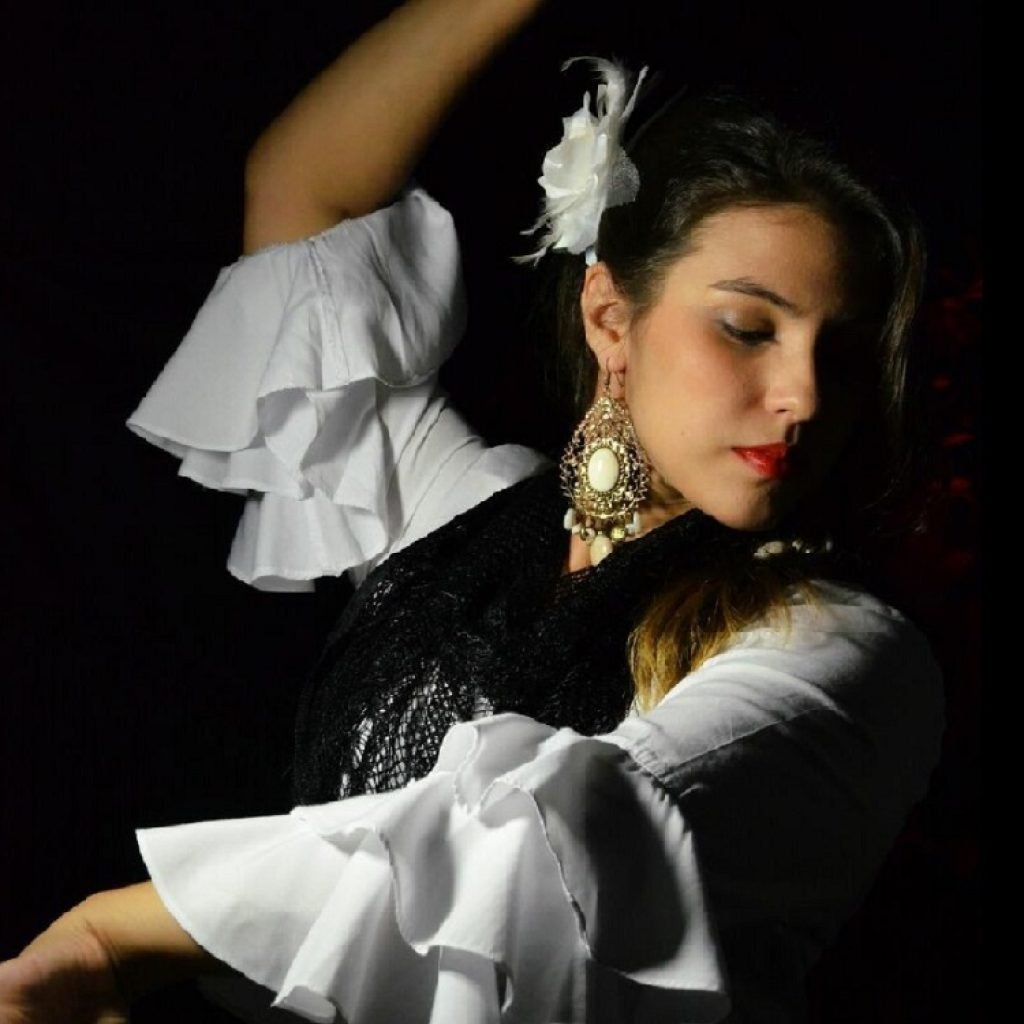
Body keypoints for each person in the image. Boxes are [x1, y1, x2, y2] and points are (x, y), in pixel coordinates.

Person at [0, 0, 945, 1021]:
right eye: (747, 328)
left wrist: (118, 931)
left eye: (841, 353)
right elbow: (304, 197)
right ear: (609, 316)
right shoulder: (473, 516)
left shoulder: (841, 652)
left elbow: (541, 845)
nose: (804, 395)